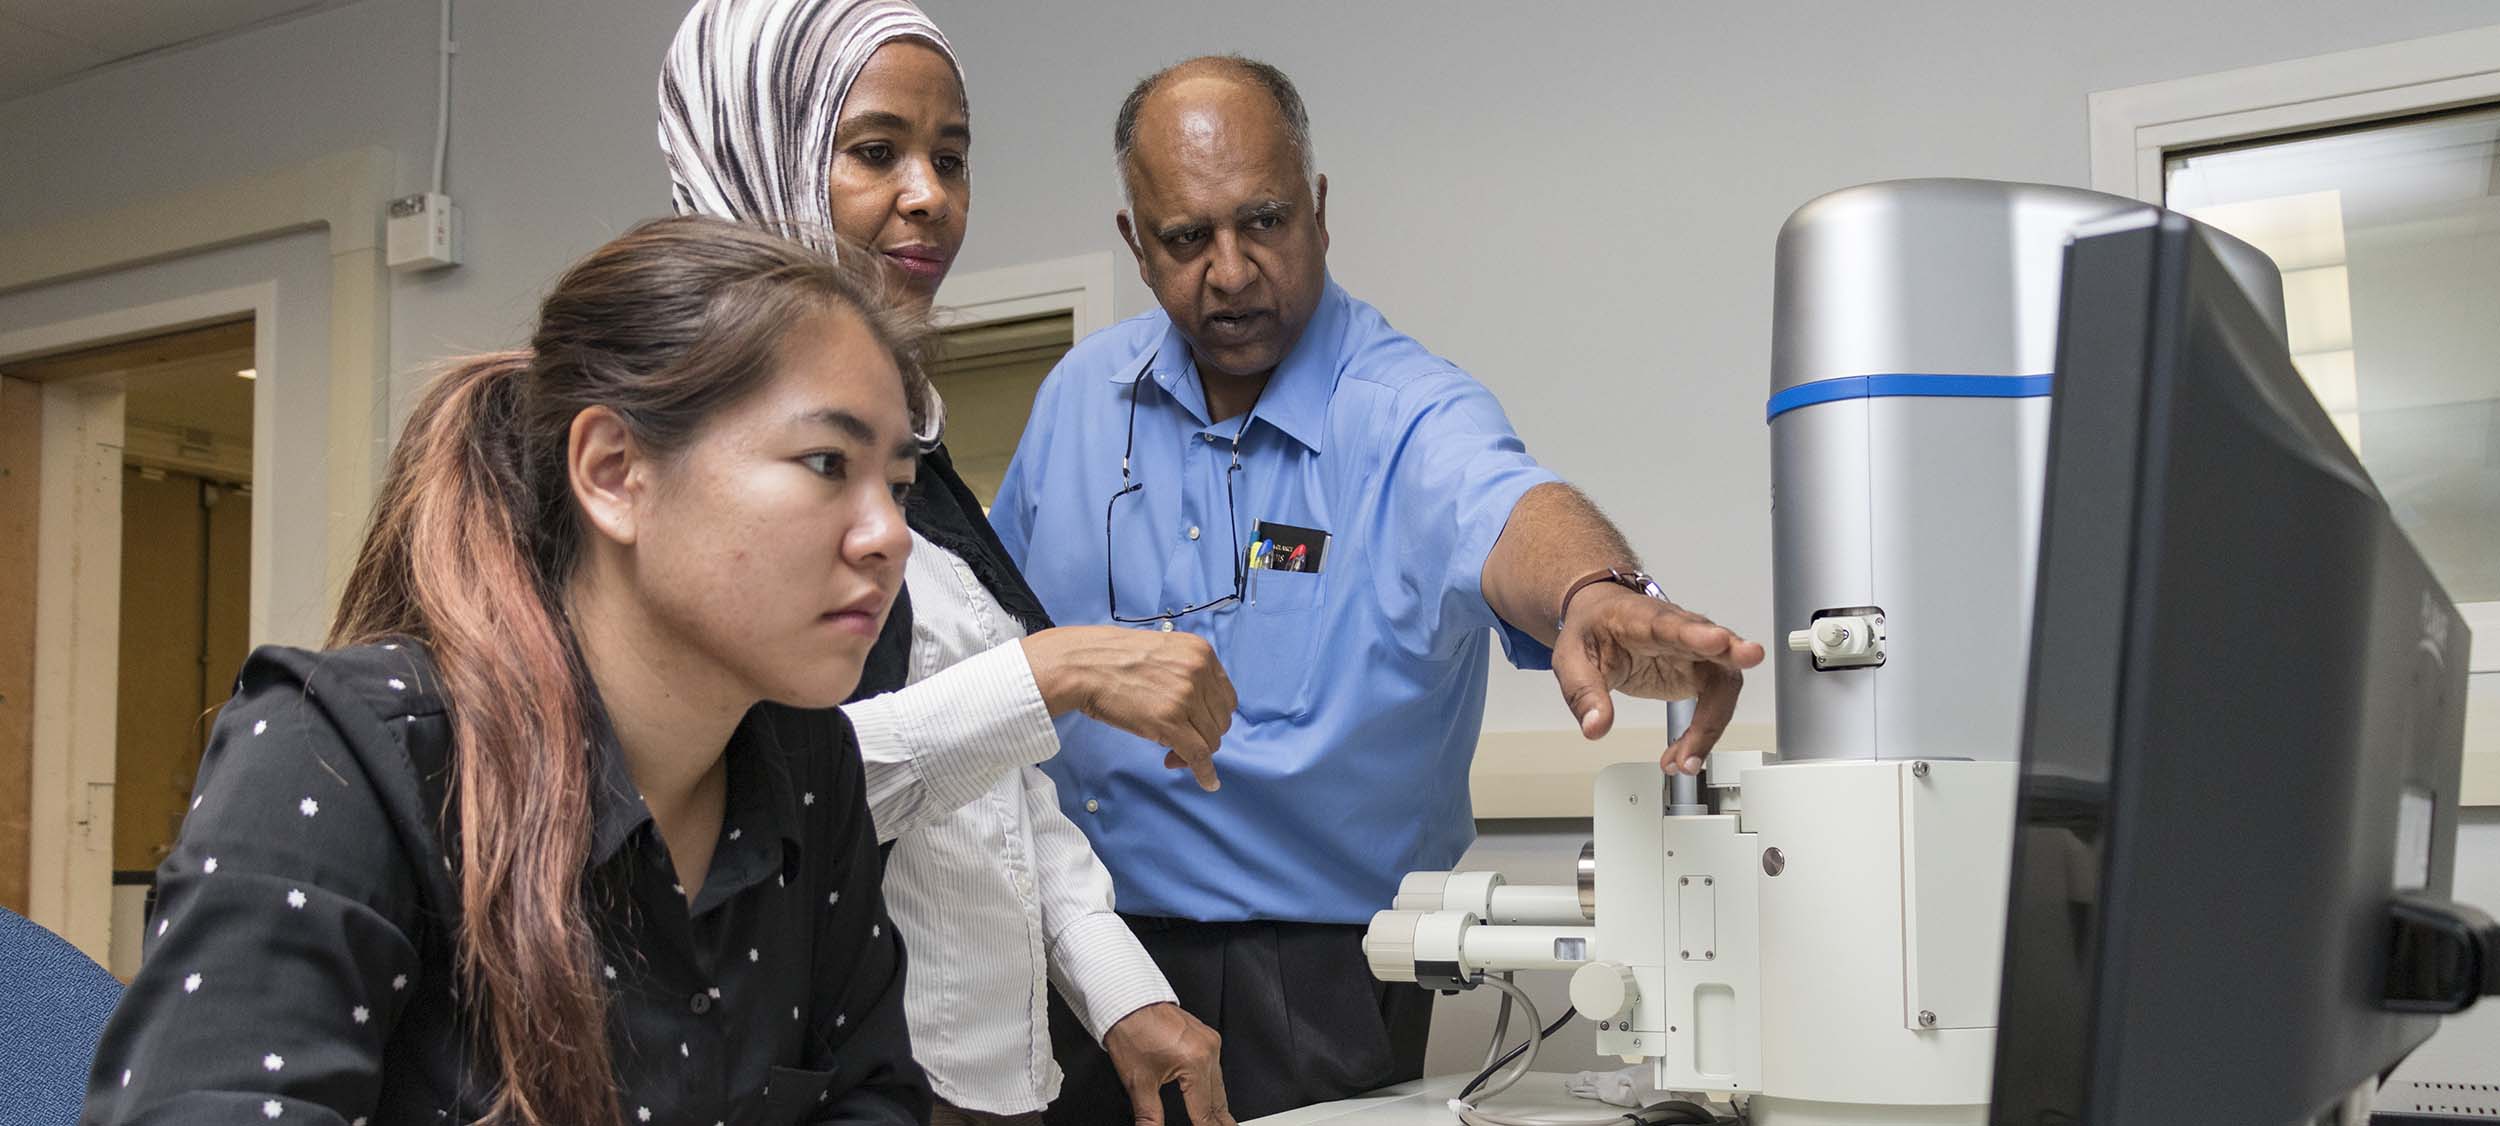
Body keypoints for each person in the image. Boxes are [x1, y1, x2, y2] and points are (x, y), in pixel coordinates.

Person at [987, 56, 1770, 1121]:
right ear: (1134, 241)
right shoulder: (1081, 397)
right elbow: (982, 640)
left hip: (1308, 978)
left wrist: (1593, 586)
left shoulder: (1404, 411)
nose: (1228, 272)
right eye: (1185, 239)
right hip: (1073, 953)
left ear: (1317, 210)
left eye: (1262, 221)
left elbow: (1506, 506)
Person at [81, 217, 934, 1125]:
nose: (888, 535)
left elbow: (870, 1096)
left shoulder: (810, 767)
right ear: (614, 473)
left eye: (900, 484)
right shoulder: (341, 752)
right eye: (826, 463)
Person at [659, 4, 1236, 1123]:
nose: (930, 195)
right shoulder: (693, 464)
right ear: (756, 149)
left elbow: (993, 785)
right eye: (875, 152)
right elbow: (739, 796)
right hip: (828, 1075)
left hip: (989, 1078)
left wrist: (1120, 991)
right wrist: (1053, 674)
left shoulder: (914, 455)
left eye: (951, 157)